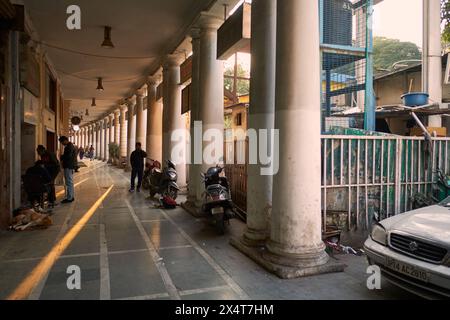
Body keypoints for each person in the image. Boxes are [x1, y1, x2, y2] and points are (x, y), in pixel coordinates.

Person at [59, 136, 76, 203]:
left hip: (68, 166)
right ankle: (71, 196)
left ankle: (69, 198)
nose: (62, 143)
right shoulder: (69, 146)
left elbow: (68, 156)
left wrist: (62, 157)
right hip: (69, 166)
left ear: (65, 140)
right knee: (69, 182)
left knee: (69, 182)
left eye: (62, 142)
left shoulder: (69, 146)